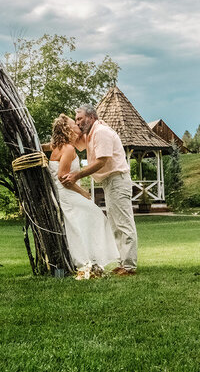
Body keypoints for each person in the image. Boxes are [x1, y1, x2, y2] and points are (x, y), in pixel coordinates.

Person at [62, 104, 138, 276]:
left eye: (80, 119)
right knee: (116, 224)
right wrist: (65, 123)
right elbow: (72, 140)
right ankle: (123, 263)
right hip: (110, 182)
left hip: (117, 180)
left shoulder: (101, 132)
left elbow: (102, 161)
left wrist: (77, 175)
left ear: (91, 117)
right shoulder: (90, 135)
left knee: (123, 223)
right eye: (76, 120)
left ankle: (129, 266)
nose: (78, 123)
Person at [45, 114, 119, 280]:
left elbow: (48, 148)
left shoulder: (58, 147)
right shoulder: (68, 149)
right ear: (67, 129)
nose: (77, 125)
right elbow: (64, 178)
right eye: (74, 123)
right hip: (67, 193)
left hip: (63, 193)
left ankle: (90, 260)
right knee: (96, 217)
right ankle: (88, 260)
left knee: (79, 225)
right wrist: (83, 193)